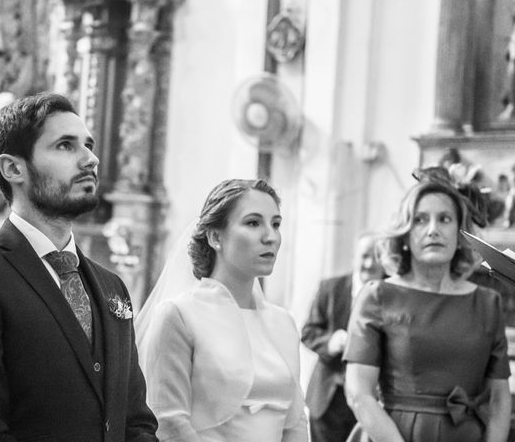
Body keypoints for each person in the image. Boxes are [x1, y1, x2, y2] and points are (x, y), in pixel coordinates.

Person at [0, 93, 158, 441]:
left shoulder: (112, 287)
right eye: (65, 145)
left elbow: (135, 421)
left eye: (88, 145)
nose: (90, 159)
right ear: (13, 168)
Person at [136, 179, 309, 442]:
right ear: (216, 236)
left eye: (275, 224)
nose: (270, 236)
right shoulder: (180, 315)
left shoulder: (283, 322)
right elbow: (169, 421)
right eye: (253, 223)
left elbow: (295, 423)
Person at [344, 178, 512, 442]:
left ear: (460, 235)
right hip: (391, 435)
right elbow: (358, 393)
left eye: (445, 219)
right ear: (406, 235)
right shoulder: (378, 295)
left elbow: (500, 398)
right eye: (421, 220)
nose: (433, 230)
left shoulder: (487, 303)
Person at [301, 232, 384, 442]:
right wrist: (331, 342)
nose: (369, 263)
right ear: (354, 257)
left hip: (373, 400)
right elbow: (308, 332)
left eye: (376, 256)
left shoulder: (393, 293)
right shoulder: (330, 287)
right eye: (364, 255)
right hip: (329, 400)